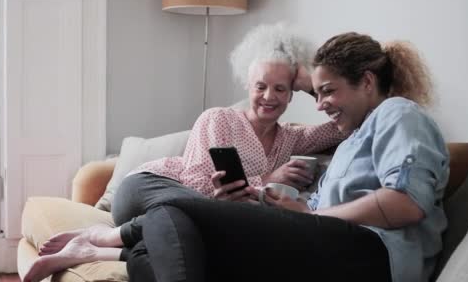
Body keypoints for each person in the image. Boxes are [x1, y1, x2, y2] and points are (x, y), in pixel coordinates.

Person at [22, 23, 346, 282]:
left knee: (199, 245)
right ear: (248, 86)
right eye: (260, 85)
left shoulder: (292, 138)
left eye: (281, 88)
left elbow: (346, 122)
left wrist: (310, 82)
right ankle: (104, 236)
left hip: (182, 219)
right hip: (149, 189)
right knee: (198, 214)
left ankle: (90, 250)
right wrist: (267, 180)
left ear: (292, 95)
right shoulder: (220, 118)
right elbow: (198, 186)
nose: (269, 96)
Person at [127, 32, 450, 282]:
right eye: (316, 92)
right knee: (149, 252)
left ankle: (115, 237)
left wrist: (311, 217)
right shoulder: (354, 136)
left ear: (367, 81)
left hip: (374, 254)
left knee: (173, 210)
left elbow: (407, 204)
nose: (319, 104)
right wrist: (300, 209)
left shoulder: (397, 113)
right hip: (330, 241)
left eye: (328, 90)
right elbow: (328, 208)